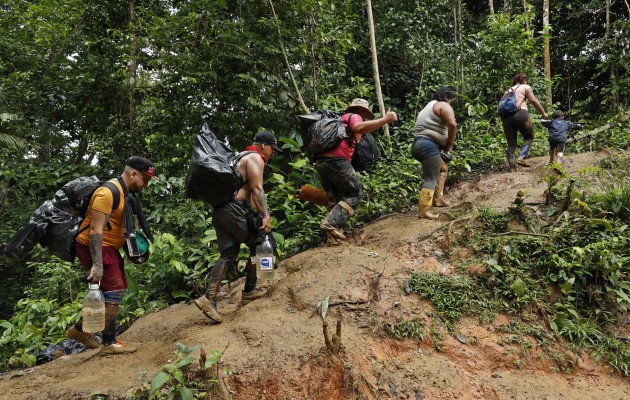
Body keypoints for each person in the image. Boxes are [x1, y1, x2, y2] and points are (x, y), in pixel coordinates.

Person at [66, 156, 158, 354]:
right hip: (97, 246)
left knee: (113, 291)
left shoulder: (125, 193)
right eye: (145, 180)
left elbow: (120, 226)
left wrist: (128, 250)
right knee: (115, 291)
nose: (146, 186)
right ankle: (107, 343)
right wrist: (97, 265)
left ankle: (82, 330)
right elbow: (95, 231)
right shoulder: (107, 193)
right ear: (133, 174)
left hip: (109, 247)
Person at [194, 131, 281, 323]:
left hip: (220, 212)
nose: (272, 153)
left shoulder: (237, 158)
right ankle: (250, 289)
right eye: (273, 149)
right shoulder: (255, 158)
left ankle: (209, 298)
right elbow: (257, 190)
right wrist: (266, 215)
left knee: (228, 254)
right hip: (234, 211)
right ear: (264, 146)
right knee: (262, 242)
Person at [316, 98, 398, 245]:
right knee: (354, 194)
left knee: (336, 199)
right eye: (365, 113)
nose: (365, 117)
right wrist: (385, 119)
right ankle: (331, 224)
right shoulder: (354, 116)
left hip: (322, 162)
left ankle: (333, 239)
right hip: (337, 160)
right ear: (361, 110)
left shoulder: (340, 121)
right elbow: (359, 127)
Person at [412, 88, 457, 220]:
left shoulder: (428, 106)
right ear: (446, 97)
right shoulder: (443, 105)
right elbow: (452, 125)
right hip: (428, 145)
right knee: (431, 178)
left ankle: (438, 199)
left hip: (420, 144)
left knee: (442, 169)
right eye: (451, 101)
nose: (450, 104)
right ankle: (424, 211)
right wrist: (448, 146)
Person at [500, 73, 549, 171]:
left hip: (506, 119)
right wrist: (544, 113)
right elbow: (533, 100)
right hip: (520, 114)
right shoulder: (525, 87)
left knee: (511, 144)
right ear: (524, 80)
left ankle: (512, 168)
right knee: (529, 137)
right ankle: (521, 157)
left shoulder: (507, 91)